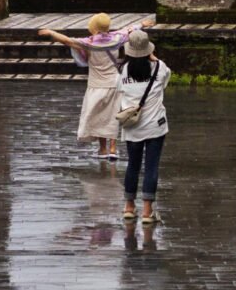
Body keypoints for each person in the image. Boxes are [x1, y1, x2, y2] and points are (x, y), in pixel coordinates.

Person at [38, 14, 154, 158]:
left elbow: (67, 41)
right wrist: (142, 24)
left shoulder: (89, 43)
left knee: (100, 116)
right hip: (115, 84)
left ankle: (103, 149)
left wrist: (51, 32)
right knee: (113, 116)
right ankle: (113, 148)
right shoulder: (117, 38)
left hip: (97, 85)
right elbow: (129, 30)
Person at [119, 29, 170, 225]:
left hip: (132, 127)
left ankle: (129, 207)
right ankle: (148, 212)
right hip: (155, 125)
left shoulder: (122, 71)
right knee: (151, 166)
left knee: (133, 165)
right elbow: (165, 81)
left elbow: (119, 91)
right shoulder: (159, 67)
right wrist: (150, 55)